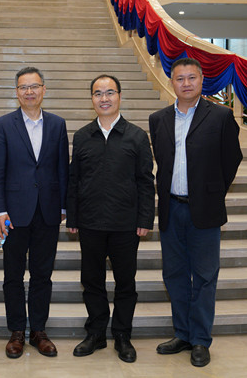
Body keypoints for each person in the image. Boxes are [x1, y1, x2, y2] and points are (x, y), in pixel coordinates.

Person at [148, 57, 242, 368]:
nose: (186, 83)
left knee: (204, 276)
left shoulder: (221, 116)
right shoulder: (158, 119)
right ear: (171, 82)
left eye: (192, 77)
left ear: (202, 81)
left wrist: (211, 192)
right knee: (174, 275)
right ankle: (183, 334)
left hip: (205, 210)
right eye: (180, 78)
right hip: (171, 208)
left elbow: (231, 159)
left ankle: (201, 339)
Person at [66, 74, 155, 363]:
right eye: (98, 93)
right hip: (90, 222)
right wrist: (73, 217)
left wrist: (145, 218)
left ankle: (122, 335)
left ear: (119, 96)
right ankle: (95, 333)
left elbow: (145, 181)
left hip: (125, 224)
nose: (104, 98)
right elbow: (74, 180)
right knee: (91, 281)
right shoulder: (82, 136)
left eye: (109, 92)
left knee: (125, 283)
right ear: (91, 99)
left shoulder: (137, 136)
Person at [0, 66, 69, 359]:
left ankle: (38, 331)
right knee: (12, 275)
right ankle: (16, 332)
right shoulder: (3, 125)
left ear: (44, 90)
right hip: (13, 214)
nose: (29, 92)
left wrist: (63, 206)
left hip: (47, 212)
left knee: (42, 275)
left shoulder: (58, 124)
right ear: (17, 92)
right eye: (24, 87)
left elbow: (62, 168)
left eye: (34, 86)